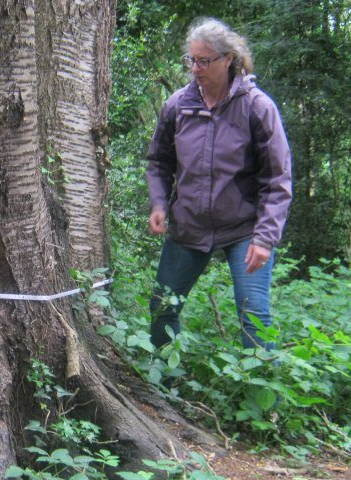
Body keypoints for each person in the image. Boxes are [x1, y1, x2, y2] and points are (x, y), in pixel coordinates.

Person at [146, 17, 292, 350]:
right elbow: (159, 162)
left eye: (204, 61)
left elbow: (277, 179)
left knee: (254, 315)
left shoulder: (257, 107)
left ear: (227, 59)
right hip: (190, 224)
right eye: (191, 60)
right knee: (162, 307)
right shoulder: (178, 106)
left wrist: (265, 238)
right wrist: (159, 203)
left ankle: (260, 382)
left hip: (244, 229)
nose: (195, 68)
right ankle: (164, 378)